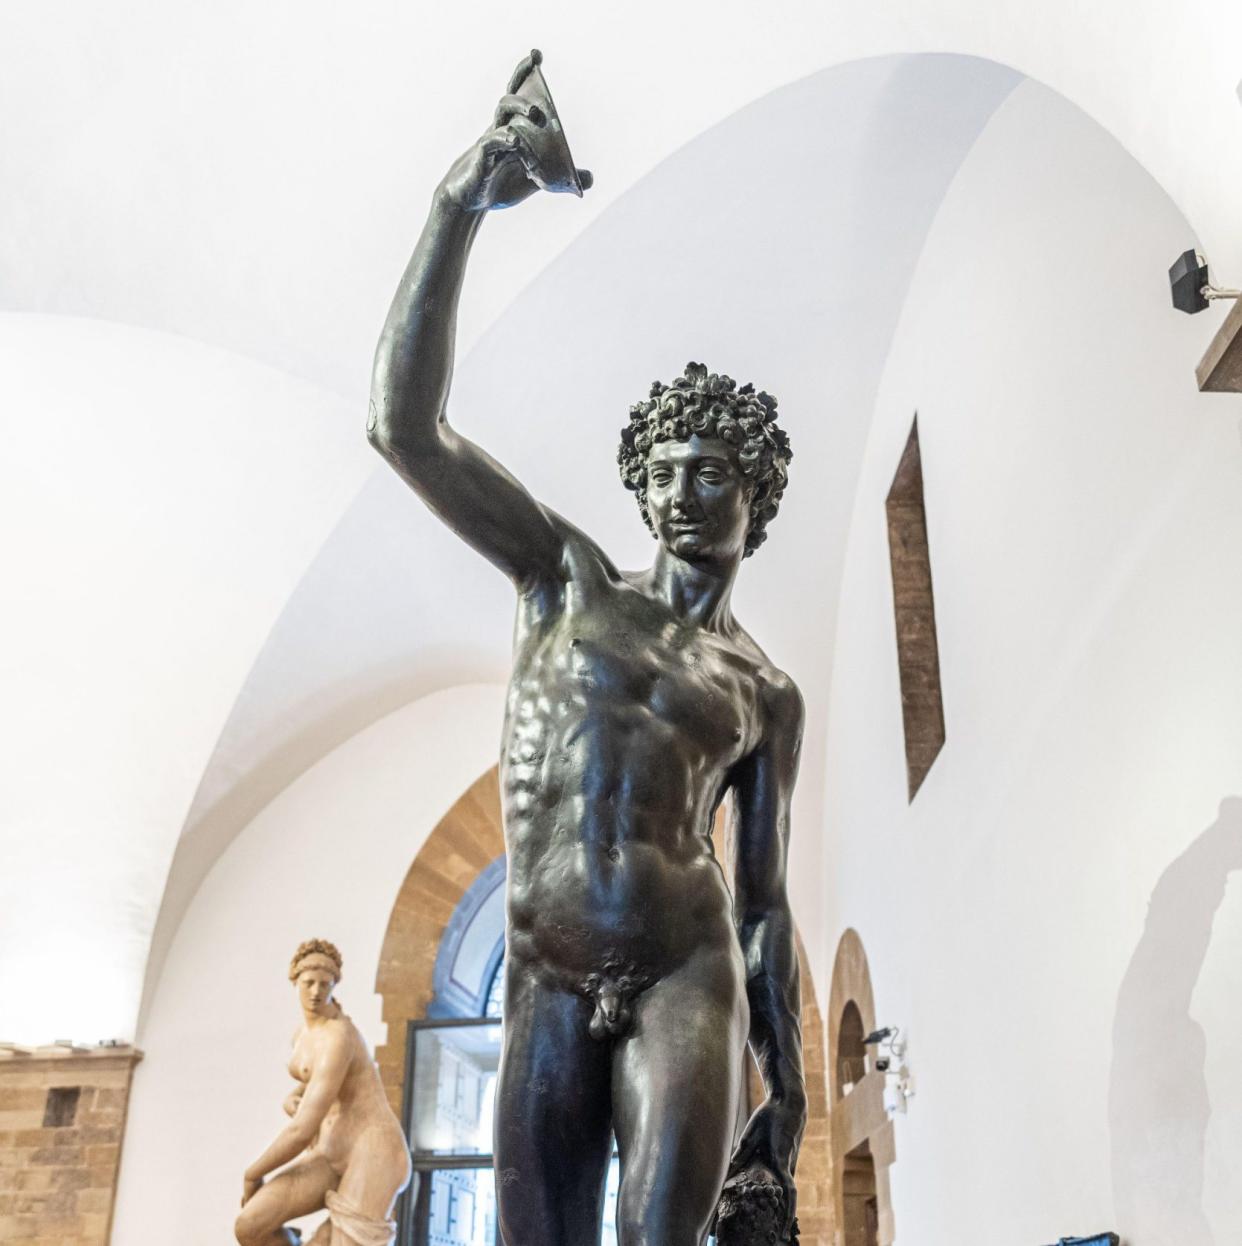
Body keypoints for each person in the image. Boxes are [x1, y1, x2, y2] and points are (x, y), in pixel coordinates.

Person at [368, 52, 806, 1246]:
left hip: (685, 970)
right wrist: (464, 198)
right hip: (547, 975)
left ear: (753, 499)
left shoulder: (764, 690)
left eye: (708, 476)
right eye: (660, 475)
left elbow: (763, 907)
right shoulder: (565, 579)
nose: (679, 496)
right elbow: (403, 428)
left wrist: (797, 1091)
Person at [236, 940, 411, 1246]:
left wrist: (253, 1173)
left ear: (334, 985)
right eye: (308, 983)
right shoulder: (303, 1034)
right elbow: (322, 1082)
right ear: (295, 981)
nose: (316, 992)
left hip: (374, 1153)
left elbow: (302, 1130)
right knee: (250, 1226)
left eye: (324, 984)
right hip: (331, 1151)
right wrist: (293, 1096)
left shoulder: (339, 1036)